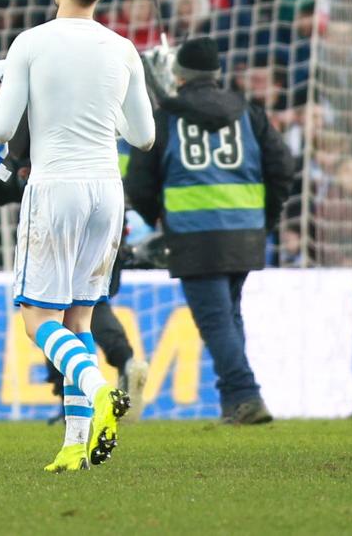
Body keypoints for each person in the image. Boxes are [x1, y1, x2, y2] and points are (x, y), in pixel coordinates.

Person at [0, 0, 155, 473]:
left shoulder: (32, 42)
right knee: (80, 320)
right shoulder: (122, 49)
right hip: (106, 192)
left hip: (56, 187)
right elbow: (144, 136)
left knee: (36, 320)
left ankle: (97, 391)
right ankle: (74, 447)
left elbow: (1, 128)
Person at [123, 37, 294, 425]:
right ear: (217, 74)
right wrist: (264, 218)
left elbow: (139, 183)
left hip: (194, 234)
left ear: (178, 76)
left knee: (216, 320)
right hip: (245, 231)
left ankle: (246, 395)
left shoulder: (166, 118)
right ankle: (234, 403)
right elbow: (283, 166)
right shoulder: (249, 113)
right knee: (229, 317)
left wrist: (161, 218)